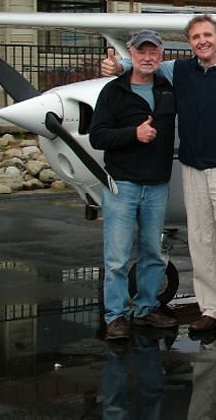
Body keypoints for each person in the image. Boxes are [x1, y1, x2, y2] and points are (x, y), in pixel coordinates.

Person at [101, 14, 216, 340]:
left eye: (208, 35)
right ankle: (211, 310)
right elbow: (144, 64)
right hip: (194, 169)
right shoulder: (178, 70)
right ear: (189, 43)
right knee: (202, 243)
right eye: (195, 37)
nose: (202, 41)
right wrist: (118, 66)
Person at [91, 29, 178, 340]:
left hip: (157, 184)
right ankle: (115, 315)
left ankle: (146, 308)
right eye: (141, 51)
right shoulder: (113, 92)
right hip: (122, 185)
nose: (147, 56)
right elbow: (97, 136)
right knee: (116, 257)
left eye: (153, 51)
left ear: (161, 55)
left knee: (152, 252)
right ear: (132, 53)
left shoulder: (169, 90)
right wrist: (133, 134)